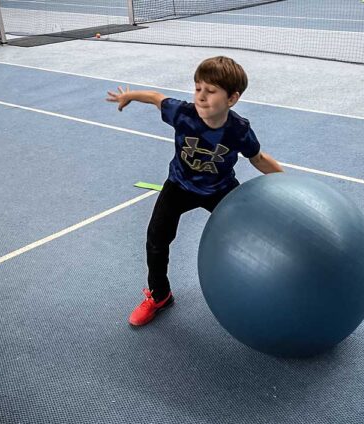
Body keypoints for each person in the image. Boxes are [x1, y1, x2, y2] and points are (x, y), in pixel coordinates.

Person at [106, 56, 284, 326]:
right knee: (156, 238)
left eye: (210, 91)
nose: (201, 96)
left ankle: (261, 289)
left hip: (220, 189)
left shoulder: (239, 130)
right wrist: (129, 95)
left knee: (249, 236)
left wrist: (287, 182)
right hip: (179, 185)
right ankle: (160, 295)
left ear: (232, 99)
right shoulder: (183, 113)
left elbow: (258, 159)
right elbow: (156, 97)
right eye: (198, 88)